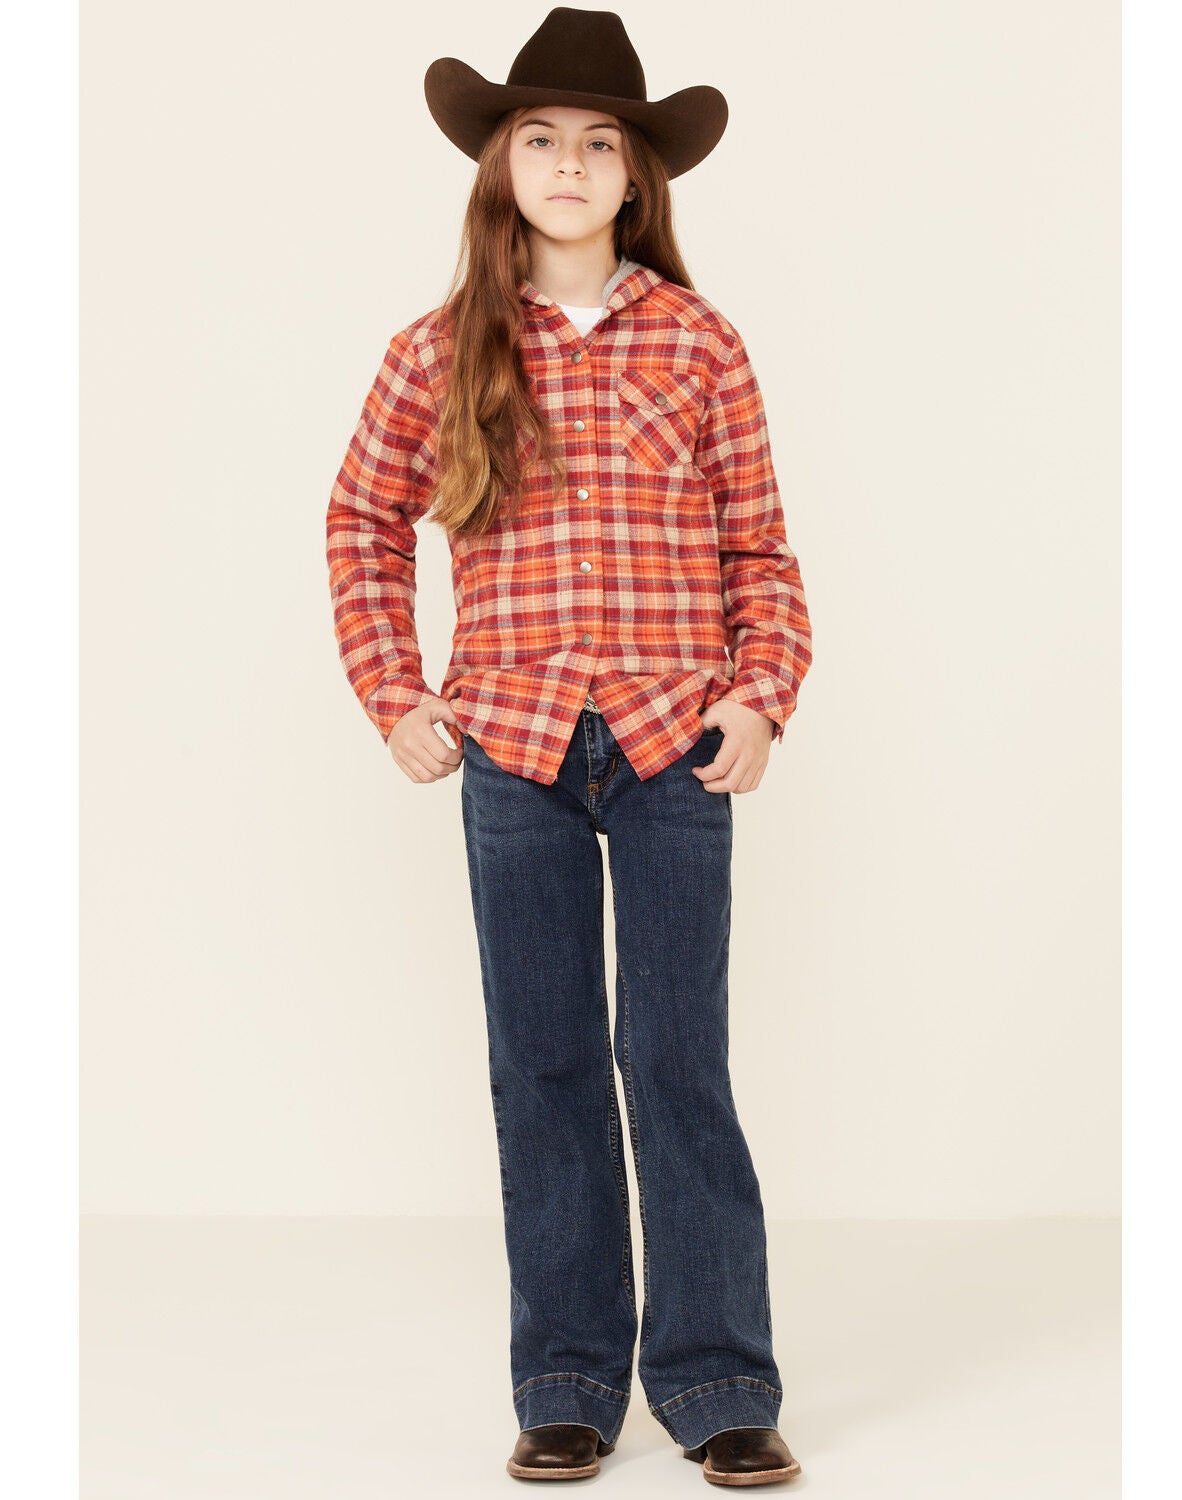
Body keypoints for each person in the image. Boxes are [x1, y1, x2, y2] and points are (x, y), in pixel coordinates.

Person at [326, 8, 812, 1487]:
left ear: (637, 177)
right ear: (499, 164)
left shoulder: (698, 341)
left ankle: (718, 1377)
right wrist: (395, 693)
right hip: (515, 750)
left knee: (676, 1062)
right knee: (541, 1065)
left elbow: (760, 547)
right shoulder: (439, 350)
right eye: (539, 138)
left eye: (601, 143)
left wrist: (762, 694)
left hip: (673, 745)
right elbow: (361, 520)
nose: (569, 164)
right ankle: (567, 1379)